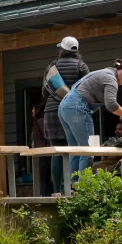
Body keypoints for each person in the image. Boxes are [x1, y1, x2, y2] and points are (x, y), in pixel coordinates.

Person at [59, 58, 122, 185]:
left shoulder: (104, 72)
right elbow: (111, 105)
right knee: (88, 152)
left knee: (75, 151)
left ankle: (72, 188)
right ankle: (83, 189)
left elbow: (114, 107)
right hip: (78, 108)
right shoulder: (111, 79)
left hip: (65, 106)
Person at [43, 37, 90, 194]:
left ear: (61, 50)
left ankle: (57, 190)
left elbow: (44, 91)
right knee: (76, 149)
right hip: (73, 111)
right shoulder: (81, 66)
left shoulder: (52, 66)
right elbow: (87, 89)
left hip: (52, 111)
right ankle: (73, 188)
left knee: (57, 151)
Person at [30, 101, 55, 196]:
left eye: (33, 109)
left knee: (43, 176)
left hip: (43, 152)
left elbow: (47, 135)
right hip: (39, 152)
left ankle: (45, 195)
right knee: (42, 175)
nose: (32, 111)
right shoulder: (38, 121)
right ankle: (44, 193)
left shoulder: (40, 120)